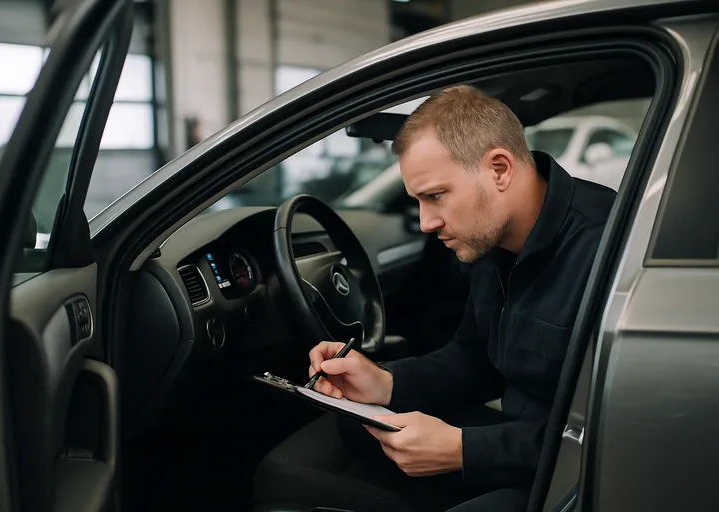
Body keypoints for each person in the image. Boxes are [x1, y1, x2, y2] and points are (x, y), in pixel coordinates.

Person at [253, 85, 616, 511]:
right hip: (523, 439)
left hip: (573, 476)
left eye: (436, 196)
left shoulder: (606, 250)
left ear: (499, 168)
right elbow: (475, 359)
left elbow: (613, 438)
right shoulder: (492, 237)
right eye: (418, 200)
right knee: (358, 424)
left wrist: (465, 450)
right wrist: (385, 383)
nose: (426, 222)